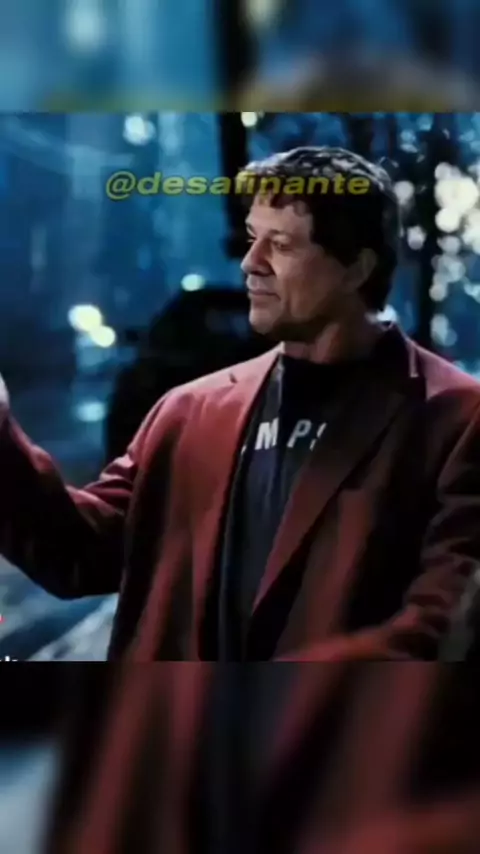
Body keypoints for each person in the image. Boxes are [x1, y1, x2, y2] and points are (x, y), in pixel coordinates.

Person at [1, 145, 480, 663]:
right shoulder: (189, 412)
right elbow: (78, 553)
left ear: (356, 268)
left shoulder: (455, 420)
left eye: (281, 245)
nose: (251, 263)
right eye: (254, 239)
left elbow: (440, 626)